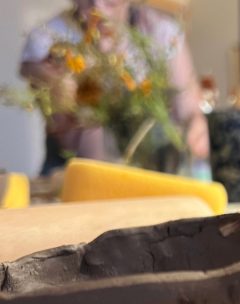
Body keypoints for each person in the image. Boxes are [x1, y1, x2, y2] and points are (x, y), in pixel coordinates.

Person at [20, 0, 209, 175]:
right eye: (86, 0)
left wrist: (194, 133)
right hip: (74, 177)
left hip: (151, 174)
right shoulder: (49, 41)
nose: (98, 9)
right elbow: (75, 144)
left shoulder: (160, 31)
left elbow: (189, 112)